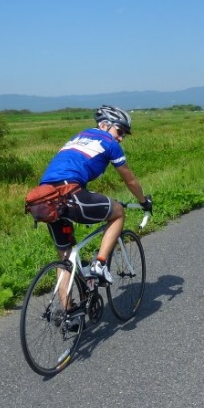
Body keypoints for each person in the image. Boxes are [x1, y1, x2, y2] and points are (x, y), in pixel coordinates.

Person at [38, 105, 152, 289]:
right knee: (118, 212)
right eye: (120, 131)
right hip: (70, 192)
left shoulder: (78, 137)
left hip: (44, 198)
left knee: (67, 257)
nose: (121, 138)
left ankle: (66, 313)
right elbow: (130, 181)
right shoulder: (109, 143)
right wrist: (143, 201)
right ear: (104, 125)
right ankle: (100, 264)